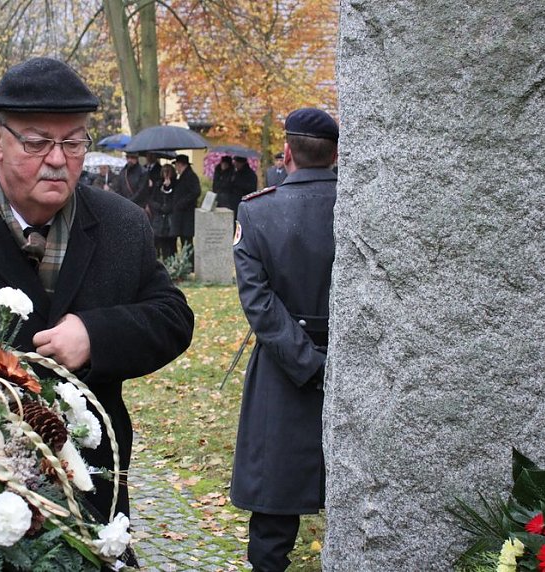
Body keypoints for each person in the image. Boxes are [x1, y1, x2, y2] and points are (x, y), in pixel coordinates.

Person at [0, 57, 194, 570]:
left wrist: (96, 334)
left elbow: (173, 317)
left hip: (89, 498)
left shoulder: (122, 225)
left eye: (73, 142)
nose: (57, 160)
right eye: (37, 142)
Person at [230, 107, 338, 572]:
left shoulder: (257, 211)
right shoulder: (360, 205)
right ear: (335, 154)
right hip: (356, 362)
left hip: (282, 365)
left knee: (274, 508)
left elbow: (259, 304)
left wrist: (308, 363)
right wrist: (329, 363)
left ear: (288, 151)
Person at [170, 154, 201, 268]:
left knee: (187, 240)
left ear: (181, 164)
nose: (176, 168)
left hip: (187, 214)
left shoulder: (190, 176)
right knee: (183, 240)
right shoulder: (182, 176)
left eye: (177, 165)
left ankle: (190, 264)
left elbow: (196, 192)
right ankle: (185, 262)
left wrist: (182, 203)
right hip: (181, 214)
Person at [149, 163, 178, 259]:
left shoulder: (176, 185)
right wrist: (159, 207)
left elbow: (175, 200)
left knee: (170, 244)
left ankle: (171, 261)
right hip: (159, 217)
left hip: (170, 219)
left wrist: (168, 187)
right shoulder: (158, 184)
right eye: (164, 172)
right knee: (157, 241)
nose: (166, 175)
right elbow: (152, 200)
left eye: (168, 172)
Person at [229, 155, 257, 219]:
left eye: (237, 163)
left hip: (244, 202)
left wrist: (237, 183)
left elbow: (251, 188)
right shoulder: (236, 173)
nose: (235, 165)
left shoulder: (250, 174)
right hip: (234, 202)